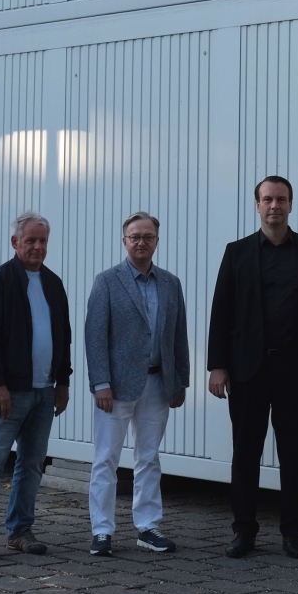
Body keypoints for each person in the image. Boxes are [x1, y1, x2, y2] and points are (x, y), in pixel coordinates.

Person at [208, 176, 298, 559]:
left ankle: (293, 533)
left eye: (281, 199)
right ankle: (243, 532)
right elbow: (222, 312)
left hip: (295, 369)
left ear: (291, 204)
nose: (274, 206)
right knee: (245, 453)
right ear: (257, 205)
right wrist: (218, 365)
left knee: (294, 454)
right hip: (247, 370)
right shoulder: (237, 253)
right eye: (267, 199)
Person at [0, 211, 72, 563]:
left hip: (44, 393)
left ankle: (20, 532)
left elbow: (64, 337)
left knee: (32, 464)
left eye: (43, 241)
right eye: (31, 240)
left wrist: (63, 382)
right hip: (9, 393)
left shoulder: (53, 284)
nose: (38, 247)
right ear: (15, 243)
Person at [83, 212, 191, 557]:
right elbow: (94, 336)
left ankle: (147, 527)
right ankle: (102, 531)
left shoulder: (170, 283)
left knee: (149, 457)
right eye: (134, 236)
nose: (141, 242)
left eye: (148, 236)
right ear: (124, 240)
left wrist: (181, 380)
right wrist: (100, 382)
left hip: (159, 383)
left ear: (157, 241)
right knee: (106, 459)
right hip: (115, 388)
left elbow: (179, 336)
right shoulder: (107, 281)